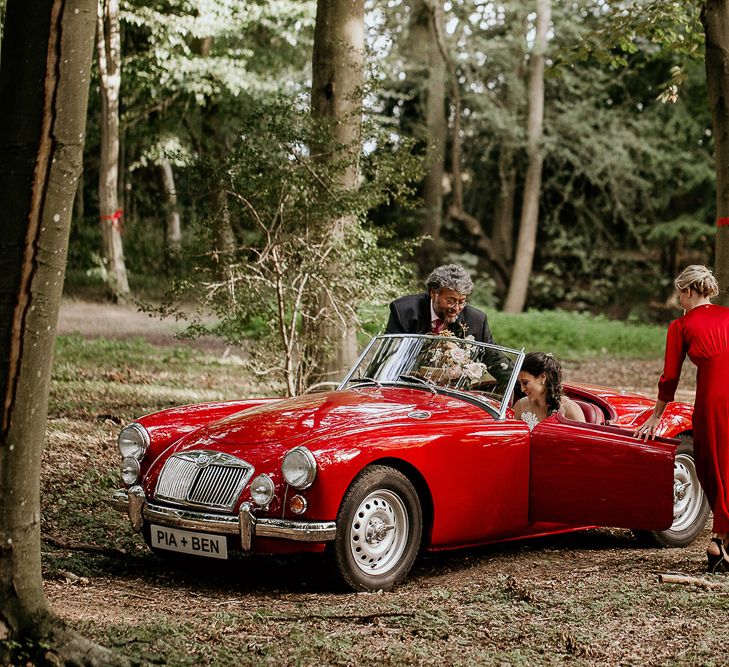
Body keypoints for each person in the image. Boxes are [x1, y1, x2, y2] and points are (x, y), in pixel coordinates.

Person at [634, 264, 729, 573]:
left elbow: (670, 377)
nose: (679, 302)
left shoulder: (681, 326)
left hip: (714, 396)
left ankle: (719, 539)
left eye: (679, 296)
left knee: (711, 461)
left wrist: (656, 415)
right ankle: (721, 540)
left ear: (688, 291)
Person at [385, 264, 494, 342]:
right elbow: (389, 353)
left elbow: (494, 359)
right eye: (450, 301)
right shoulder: (404, 311)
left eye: (461, 302)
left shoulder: (477, 319)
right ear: (433, 293)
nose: (456, 308)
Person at [513, 352, 585, 431]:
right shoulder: (520, 406)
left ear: (543, 377)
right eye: (520, 383)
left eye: (525, 382)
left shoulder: (570, 410)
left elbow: (584, 442)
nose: (522, 389)